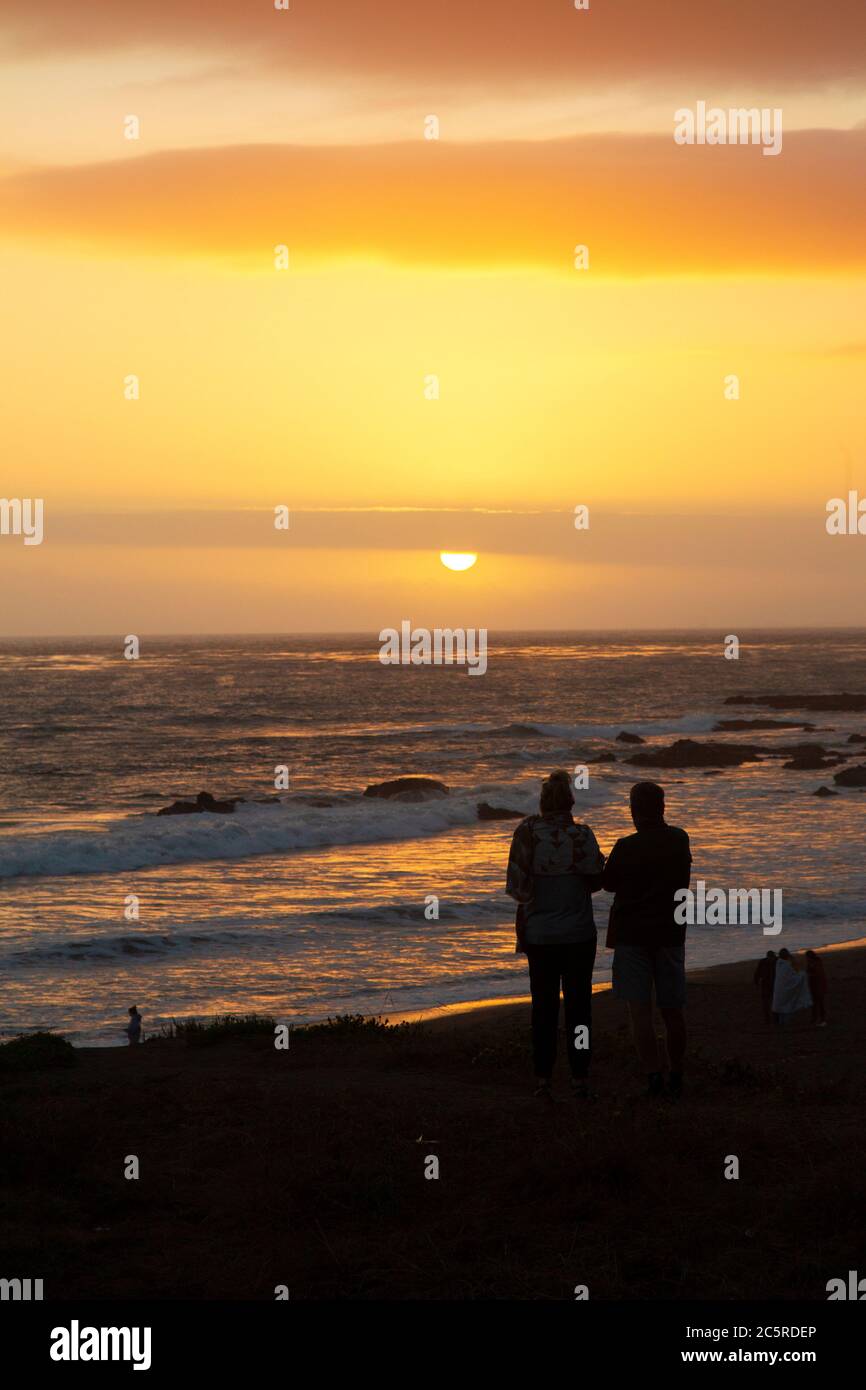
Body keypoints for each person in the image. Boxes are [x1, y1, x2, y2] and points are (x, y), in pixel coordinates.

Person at [506, 770, 604, 1100]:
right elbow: (597, 880)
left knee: (544, 1009)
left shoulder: (527, 833)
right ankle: (580, 1078)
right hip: (578, 934)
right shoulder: (583, 835)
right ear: (571, 802)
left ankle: (543, 1079)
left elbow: (517, 888)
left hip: (541, 935)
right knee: (580, 1010)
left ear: (543, 803)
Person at [602, 781, 692, 1098]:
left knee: (639, 1012)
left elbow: (608, 884)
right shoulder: (679, 839)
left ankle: (654, 1076)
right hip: (669, 934)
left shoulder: (626, 846)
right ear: (662, 807)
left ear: (633, 810)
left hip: (632, 936)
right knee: (672, 1010)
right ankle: (677, 1074)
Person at [771, 949, 812, 1024]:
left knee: (781, 1007)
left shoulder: (778, 964)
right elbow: (793, 978)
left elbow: (789, 976)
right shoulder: (786, 965)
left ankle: (781, 1022)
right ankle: (783, 1022)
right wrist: (802, 975)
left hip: (779, 990)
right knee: (786, 1006)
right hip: (783, 990)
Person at [753, 950, 778, 1024]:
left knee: (774, 1002)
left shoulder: (777, 962)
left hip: (774, 985)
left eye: (772, 957)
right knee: (766, 1003)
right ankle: (767, 1019)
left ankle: (775, 1018)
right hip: (766, 985)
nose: (771, 959)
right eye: (770, 957)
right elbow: (757, 972)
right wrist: (756, 981)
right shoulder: (763, 962)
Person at [805, 950, 827, 1026]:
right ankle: (815, 1018)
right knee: (815, 1003)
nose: (806, 959)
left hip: (818, 985)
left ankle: (821, 1019)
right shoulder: (813, 962)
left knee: (819, 1003)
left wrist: (809, 975)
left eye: (807, 957)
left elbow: (818, 974)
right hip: (814, 986)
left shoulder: (816, 963)